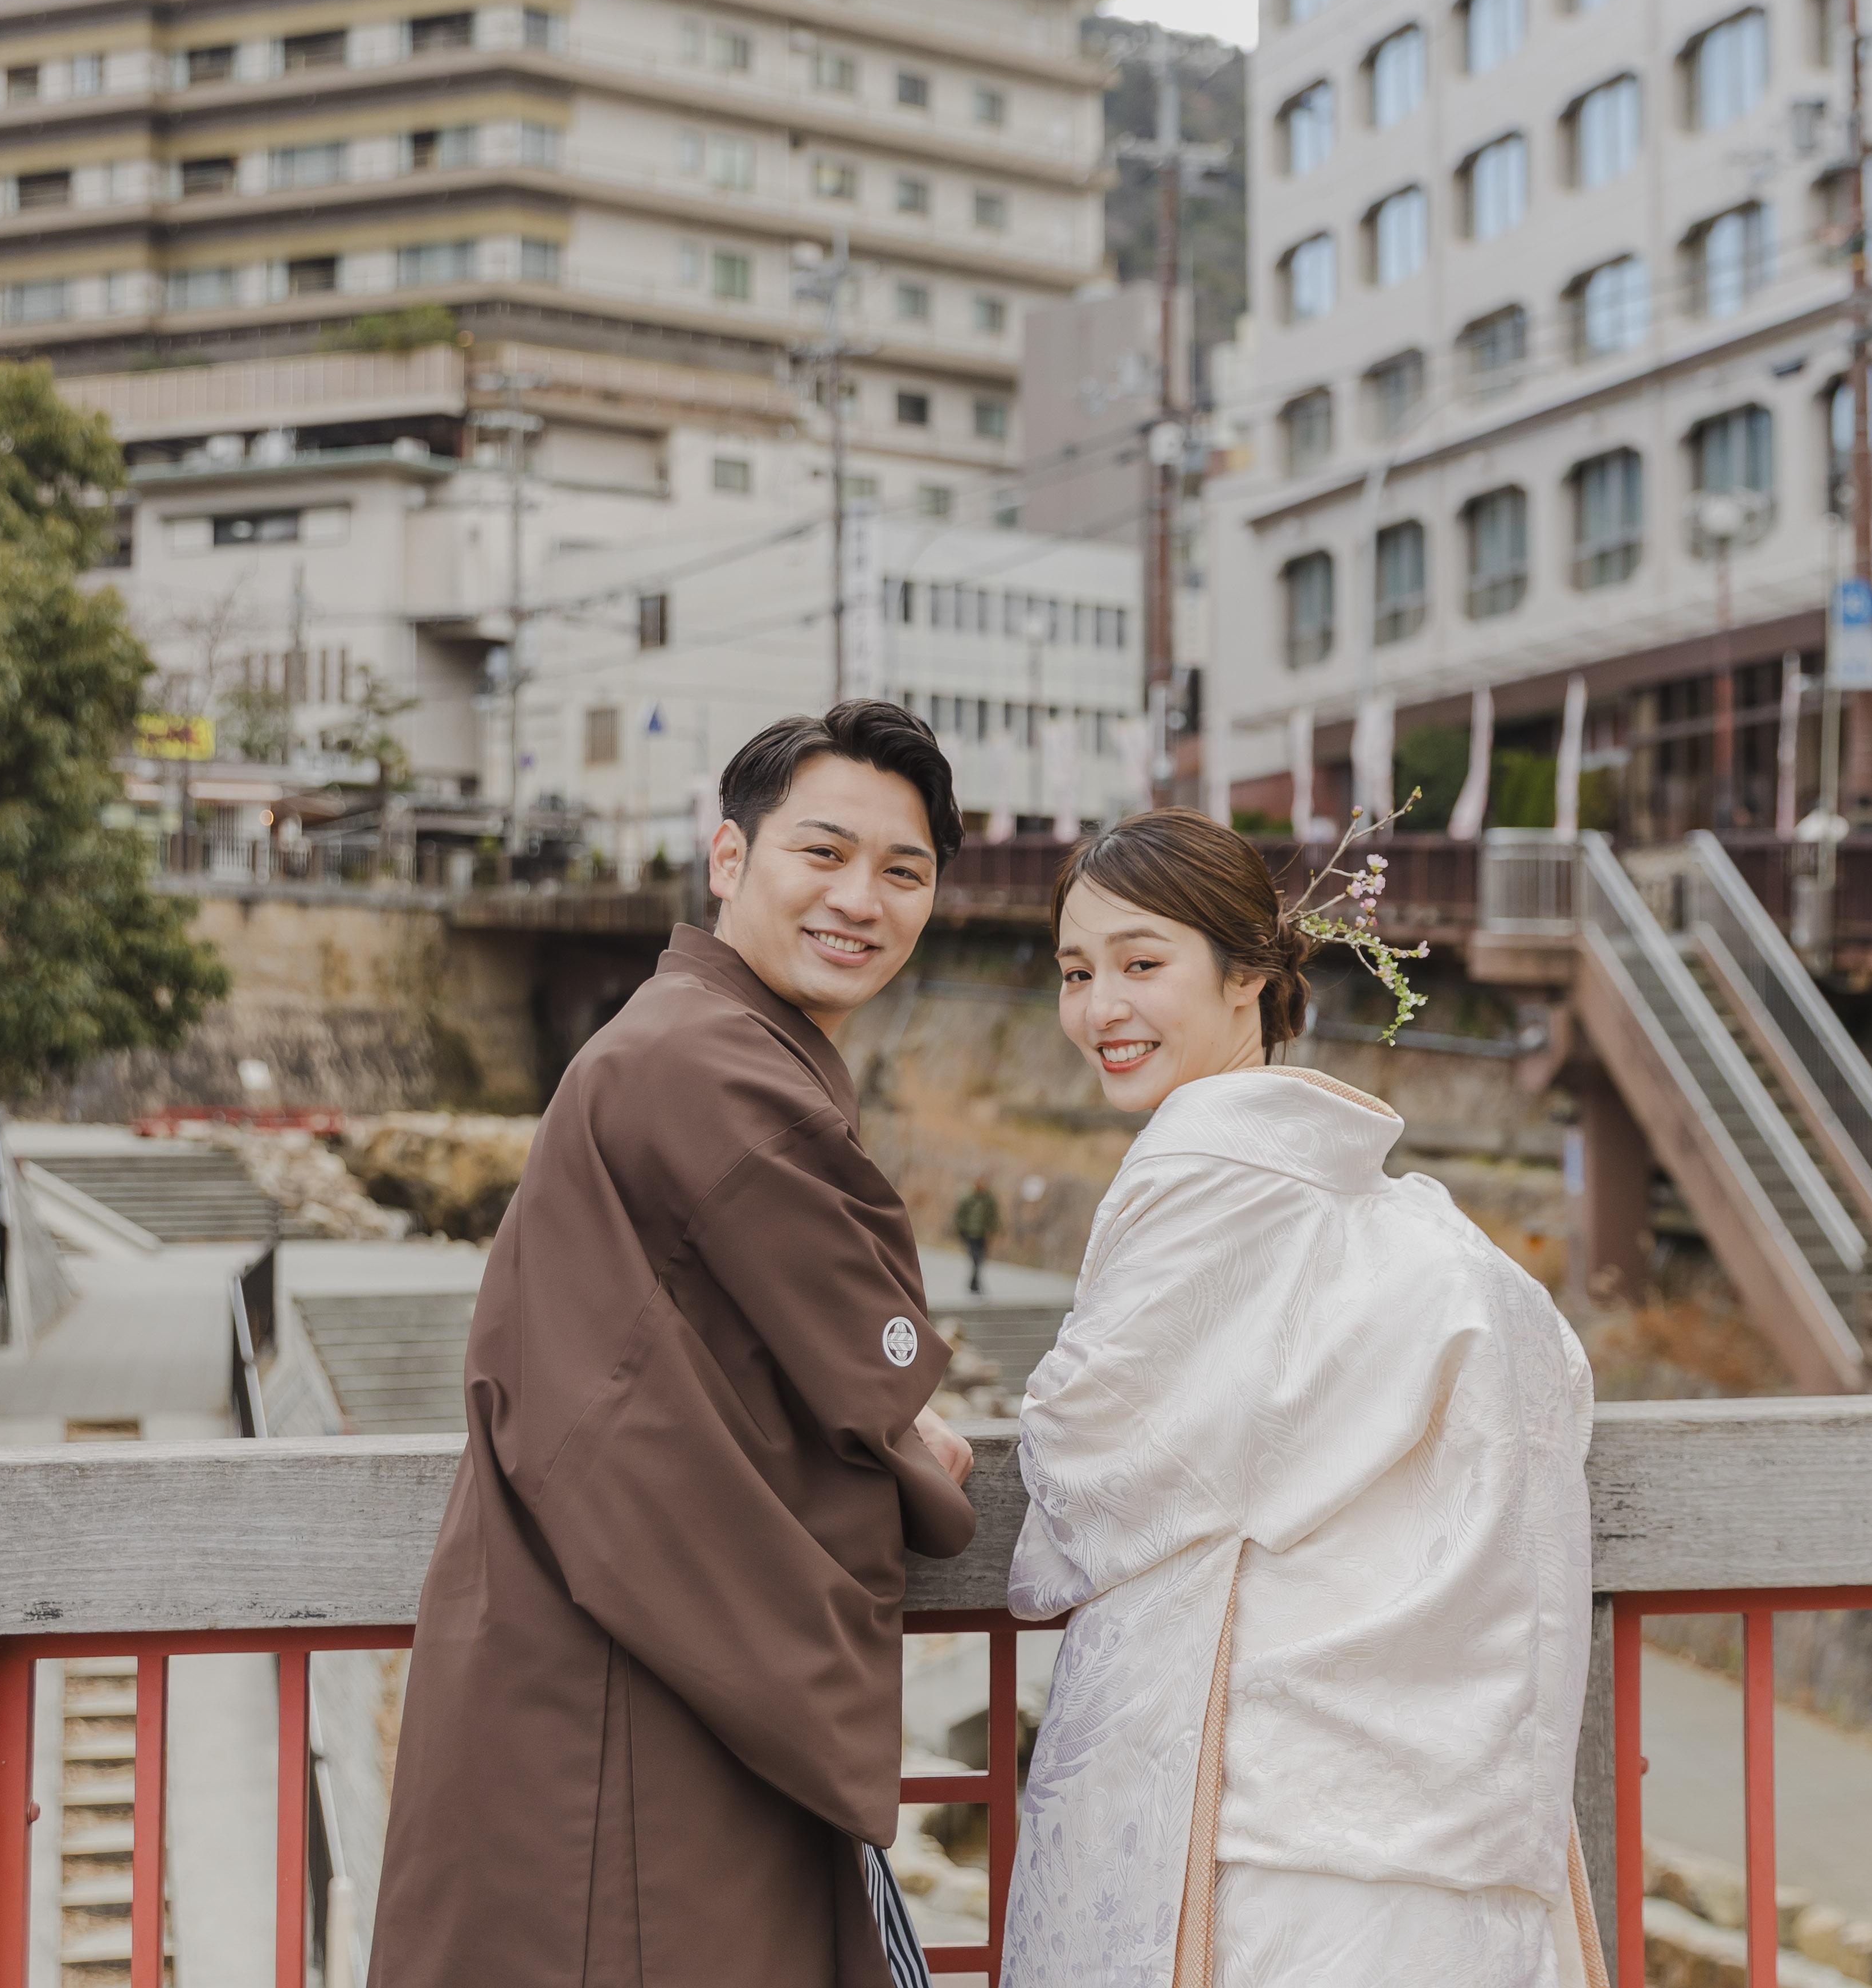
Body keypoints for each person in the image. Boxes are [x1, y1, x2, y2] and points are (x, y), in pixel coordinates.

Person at [374, 702, 978, 1988]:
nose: (860, 899)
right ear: (729, 857)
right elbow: (871, 1386)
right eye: (823, 852)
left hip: (573, 1652)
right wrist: (912, 1441)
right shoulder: (714, 1067)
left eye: (904, 871)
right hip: (640, 1694)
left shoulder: (674, 1037)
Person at [999, 808, 1606, 1988]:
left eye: (1140, 963)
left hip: (1260, 1795)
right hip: (1416, 1771)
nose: (1101, 1007)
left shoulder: (1204, 1168)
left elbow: (1085, 1453)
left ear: (1249, 974)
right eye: (1076, 973)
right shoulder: (1385, 1207)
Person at [951, 1178, 1000, 1295]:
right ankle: (975, 1285)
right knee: (976, 1259)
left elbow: (993, 1215)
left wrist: (993, 1229)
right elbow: (960, 1215)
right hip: (970, 1234)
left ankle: (974, 1284)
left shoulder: (988, 1199)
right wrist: (961, 1230)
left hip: (982, 1234)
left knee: (979, 1260)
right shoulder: (968, 1198)